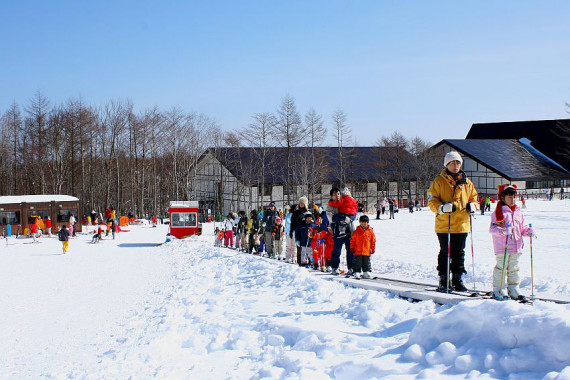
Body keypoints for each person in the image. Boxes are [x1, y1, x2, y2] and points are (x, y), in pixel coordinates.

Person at [428, 151, 479, 292]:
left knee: (459, 253)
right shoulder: (438, 181)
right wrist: (441, 208)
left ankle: (457, 278)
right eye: (452, 162)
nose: (455, 165)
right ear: (447, 165)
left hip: (462, 224)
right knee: (446, 252)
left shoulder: (467, 182)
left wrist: (473, 205)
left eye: (458, 162)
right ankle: (444, 278)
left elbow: (474, 197)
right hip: (445, 224)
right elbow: (431, 201)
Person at [489, 184, 535, 300]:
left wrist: (528, 231)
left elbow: (522, 229)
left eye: (514, 197)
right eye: (509, 197)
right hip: (502, 247)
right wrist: (503, 231)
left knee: (514, 268)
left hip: (516, 246)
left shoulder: (519, 213)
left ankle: (514, 288)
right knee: (502, 268)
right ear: (503, 198)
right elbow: (492, 229)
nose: (512, 199)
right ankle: (499, 289)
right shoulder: (499, 213)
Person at [328, 188, 354, 275]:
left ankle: (351, 267)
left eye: (338, 194)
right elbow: (332, 218)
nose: (337, 195)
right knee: (337, 250)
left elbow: (353, 214)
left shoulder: (344, 201)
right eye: (335, 194)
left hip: (348, 228)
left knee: (350, 249)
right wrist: (343, 217)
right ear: (331, 196)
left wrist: (349, 218)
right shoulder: (330, 205)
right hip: (337, 230)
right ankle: (335, 267)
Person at [350, 215, 376, 279]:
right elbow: (352, 240)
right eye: (362, 223)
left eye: (365, 223)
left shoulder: (370, 232)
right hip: (358, 250)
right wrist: (352, 248)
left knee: (366, 262)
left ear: (367, 223)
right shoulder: (356, 232)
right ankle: (356, 271)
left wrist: (372, 249)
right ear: (360, 223)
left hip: (367, 251)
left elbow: (373, 241)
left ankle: (366, 272)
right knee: (357, 262)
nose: (363, 225)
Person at [290, 196, 309, 265]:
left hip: (306, 232)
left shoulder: (308, 213)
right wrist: (291, 231)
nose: (301, 204)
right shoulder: (296, 213)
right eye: (300, 203)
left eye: (303, 203)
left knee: (306, 247)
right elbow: (293, 223)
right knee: (299, 246)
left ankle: (306, 260)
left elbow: (312, 221)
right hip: (298, 231)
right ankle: (299, 261)